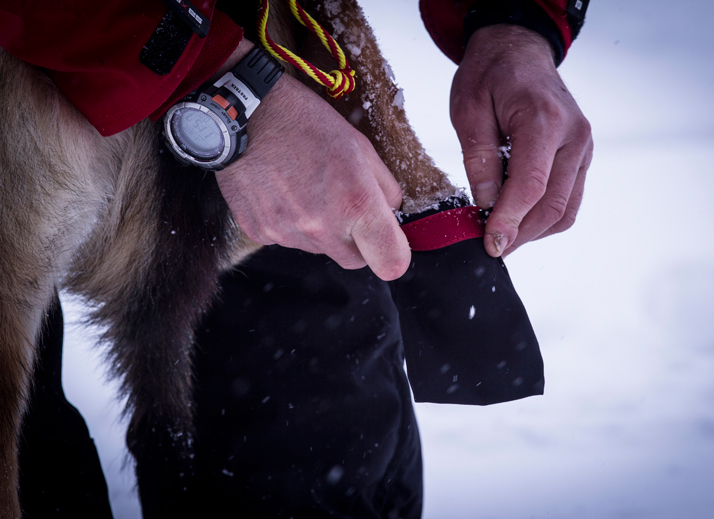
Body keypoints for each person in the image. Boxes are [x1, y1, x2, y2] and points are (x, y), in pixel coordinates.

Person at [1, 0, 591, 516]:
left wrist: (513, 24)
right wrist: (222, 87)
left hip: (283, 57)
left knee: (319, 455)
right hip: (45, 80)